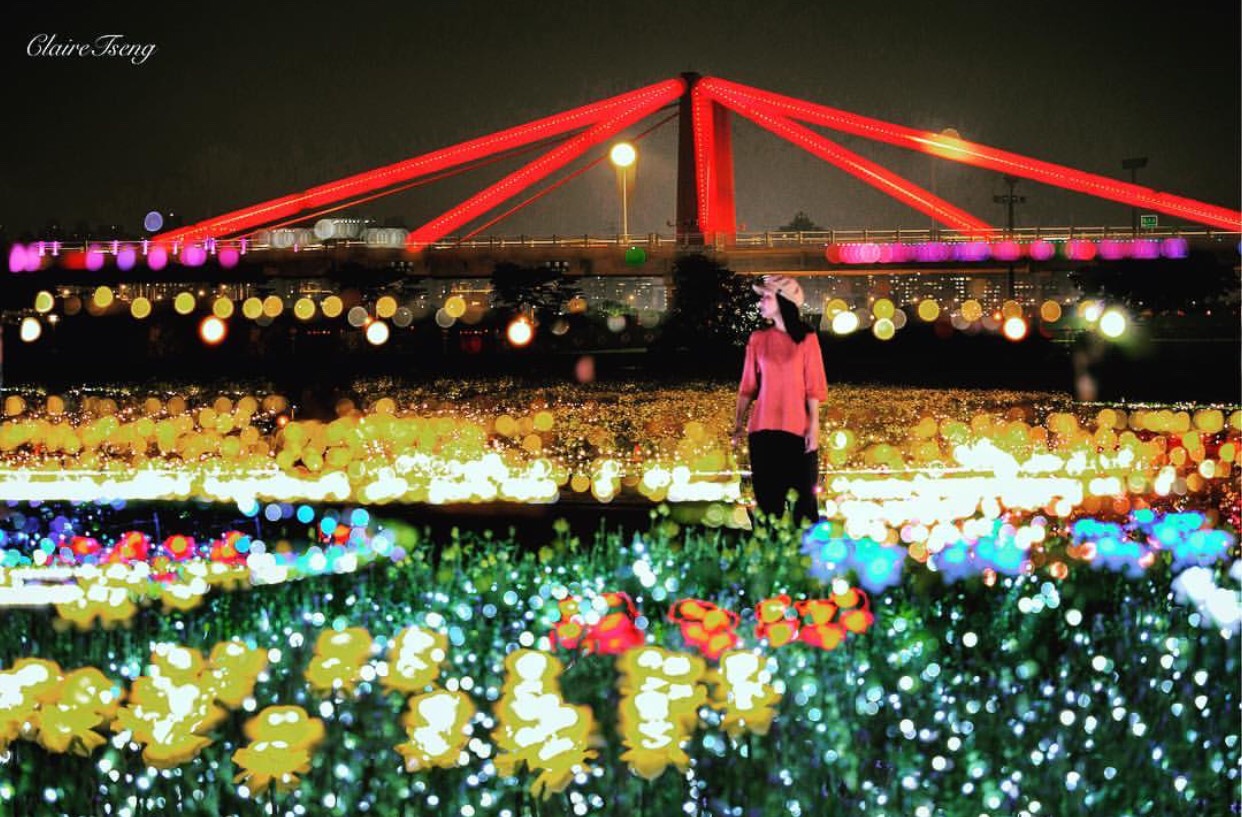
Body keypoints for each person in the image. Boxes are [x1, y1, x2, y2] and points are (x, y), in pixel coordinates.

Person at [731, 275, 828, 524]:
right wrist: (738, 424)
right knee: (767, 503)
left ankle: (805, 556)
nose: (761, 302)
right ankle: (768, 554)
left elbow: (814, 387)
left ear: (784, 301)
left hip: (797, 430)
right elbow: (747, 386)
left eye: (766, 297)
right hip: (762, 431)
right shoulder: (758, 339)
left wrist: (814, 425)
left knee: (804, 505)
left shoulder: (807, 339)